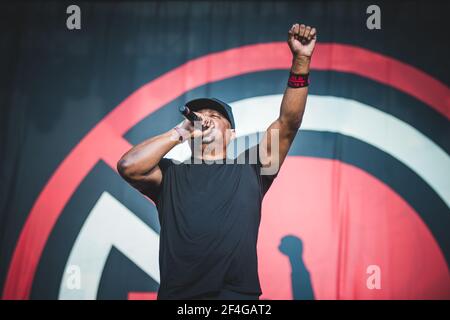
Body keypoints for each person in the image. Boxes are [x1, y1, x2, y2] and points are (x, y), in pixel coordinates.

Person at [117, 23, 317, 300]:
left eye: (215, 115)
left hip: (236, 298)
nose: (206, 118)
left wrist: (301, 61)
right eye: (199, 114)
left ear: (231, 133)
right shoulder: (170, 175)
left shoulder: (252, 168)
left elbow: (288, 123)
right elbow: (128, 167)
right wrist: (181, 132)